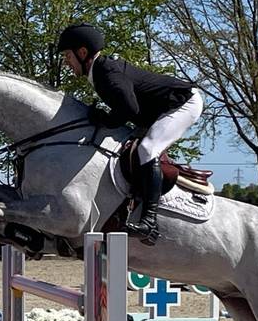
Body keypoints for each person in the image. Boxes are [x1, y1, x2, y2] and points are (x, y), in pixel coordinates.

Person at [56, 22, 203, 245]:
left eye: (67, 55)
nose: (66, 62)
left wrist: (103, 119)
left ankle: (149, 221)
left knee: (147, 149)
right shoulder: (100, 72)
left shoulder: (106, 72)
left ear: (82, 52)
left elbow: (129, 109)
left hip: (182, 104)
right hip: (157, 110)